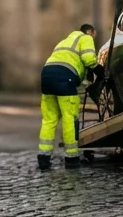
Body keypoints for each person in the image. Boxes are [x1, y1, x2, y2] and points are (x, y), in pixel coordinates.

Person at [38, 24, 100, 170]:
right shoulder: (85, 38)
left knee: (49, 119)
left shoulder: (64, 41)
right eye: (94, 35)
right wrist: (100, 71)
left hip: (46, 75)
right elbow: (89, 59)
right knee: (69, 117)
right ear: (90, 31)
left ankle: (43, 158)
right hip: (64, 78)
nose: (93, 38)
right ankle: (71, 158)